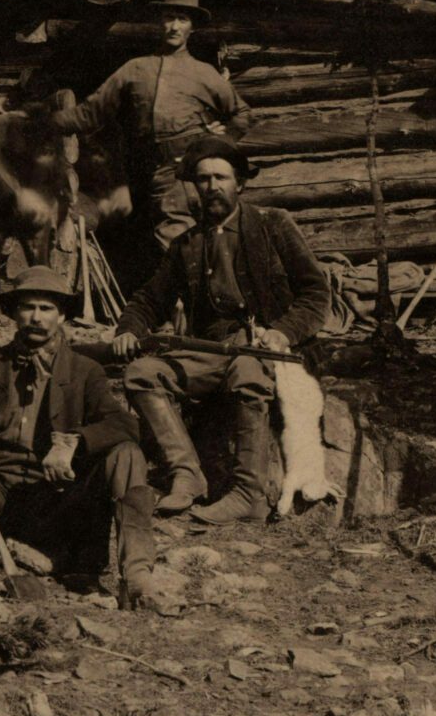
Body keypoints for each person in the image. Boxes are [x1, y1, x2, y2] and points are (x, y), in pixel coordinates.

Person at [0, 264, 160, 606]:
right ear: (12, 313)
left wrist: (73, 443)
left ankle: (138, 575)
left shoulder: (86, 371)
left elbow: (127, 426)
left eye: (47, 308)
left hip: (58, 503)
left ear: (62, 315)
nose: (37, 317)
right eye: (28, 307)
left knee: (126, 452)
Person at [111, 135, 331, 523]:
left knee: (248, 371)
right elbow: (149, 298)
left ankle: (248, 493)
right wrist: (129, 328)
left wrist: (282, 332)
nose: (212, 187)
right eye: (203, 179)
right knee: (142, 373)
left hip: (266, 347)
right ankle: (187, 475)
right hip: (209, 351)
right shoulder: (187, 244)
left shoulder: (273, 225)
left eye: (221, 178)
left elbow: (315, 293)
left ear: (240, 183)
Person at [84, 0, 244, 258]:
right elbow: (90, 112)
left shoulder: (204, 72)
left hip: (201, 169)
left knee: (213, 239)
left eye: (182, 20)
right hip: (162, 172)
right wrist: (46, 122)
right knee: (174, 241)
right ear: (159, 22)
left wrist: (222, 139)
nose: (174, 26)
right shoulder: (137, 68)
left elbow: (243, 114)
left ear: (192, 27)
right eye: (169, 18)